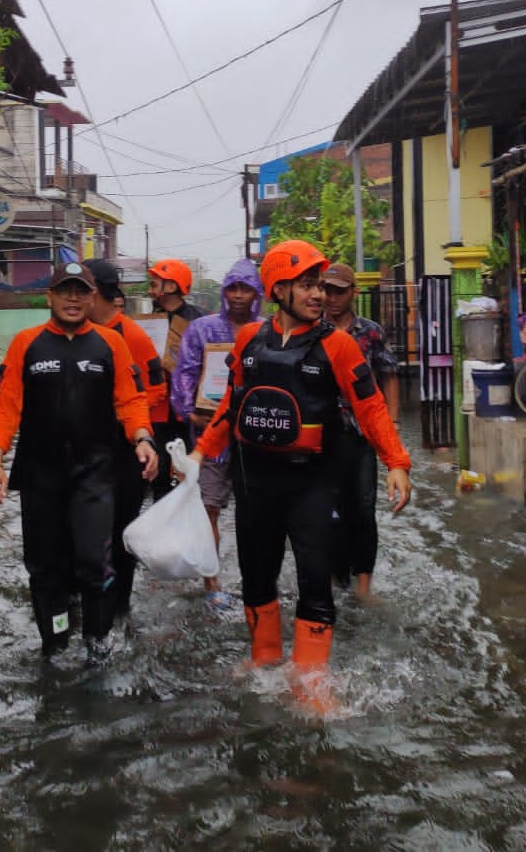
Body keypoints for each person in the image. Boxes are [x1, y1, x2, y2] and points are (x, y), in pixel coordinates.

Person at [194, 240, 411, 709]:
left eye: (320, 285)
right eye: (307, 285)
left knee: (315, 577)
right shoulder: (249, 338)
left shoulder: (338, 344)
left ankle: (311, 675)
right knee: (256, 573)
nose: (318, 294)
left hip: (313, 482)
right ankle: (264, 655)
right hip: (255, 482)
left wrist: (397, 463)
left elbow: (370, 407)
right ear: (278, 287)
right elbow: (230, 406)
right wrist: (199, 454)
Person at [0, 262, 159, 661]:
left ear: (93, 297)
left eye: (82, 291)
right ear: (50, 297)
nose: (74, 299)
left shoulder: (110, 344)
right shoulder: (26, 343)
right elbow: (6, 407)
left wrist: (143, 439)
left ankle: (98, 645)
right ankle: (56, 644)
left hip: (95, 472)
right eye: (66, 291)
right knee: (45, 568)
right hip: (40, 473)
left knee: (95, 561)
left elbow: (130, 400)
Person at [170, 257, 263, 614]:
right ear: (224, 292)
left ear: (257, 293)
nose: (238, 296)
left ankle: (256, 579)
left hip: (256, 437)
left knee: (256, 513)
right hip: (211, 434)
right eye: (232, 289)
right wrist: (188, 411)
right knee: (208, 509)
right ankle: (212, 582)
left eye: (246, 289)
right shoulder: (203, 330)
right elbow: (184, 374)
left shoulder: (267, 330)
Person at [84, 258, 168, 622]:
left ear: (98, 295)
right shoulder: (72, 334)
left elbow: (157, 390)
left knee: (122, 533)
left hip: (126, 448)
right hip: (85, 452)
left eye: (82, 291)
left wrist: (124, 419)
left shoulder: (131, 336)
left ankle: (119, 607)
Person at [319, 262, 400, 599]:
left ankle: (363, 584)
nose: (332, 297)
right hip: (321, 434)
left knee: (363, 508)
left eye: (339, 290)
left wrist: (391, 428)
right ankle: (336, 577)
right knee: (328, 510)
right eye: (328, 290)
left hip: (363, 431)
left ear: (354, 292)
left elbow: (389, 374)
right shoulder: (312, 329)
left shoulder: (370, 332)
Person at [148, 258, 204, 499]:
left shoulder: (198, 321)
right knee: (159, 466)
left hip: (187, 406)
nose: (150, 289)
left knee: (189, 464)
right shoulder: (151, 319)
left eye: (155, 283)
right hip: (159, 405)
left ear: (170, 286)